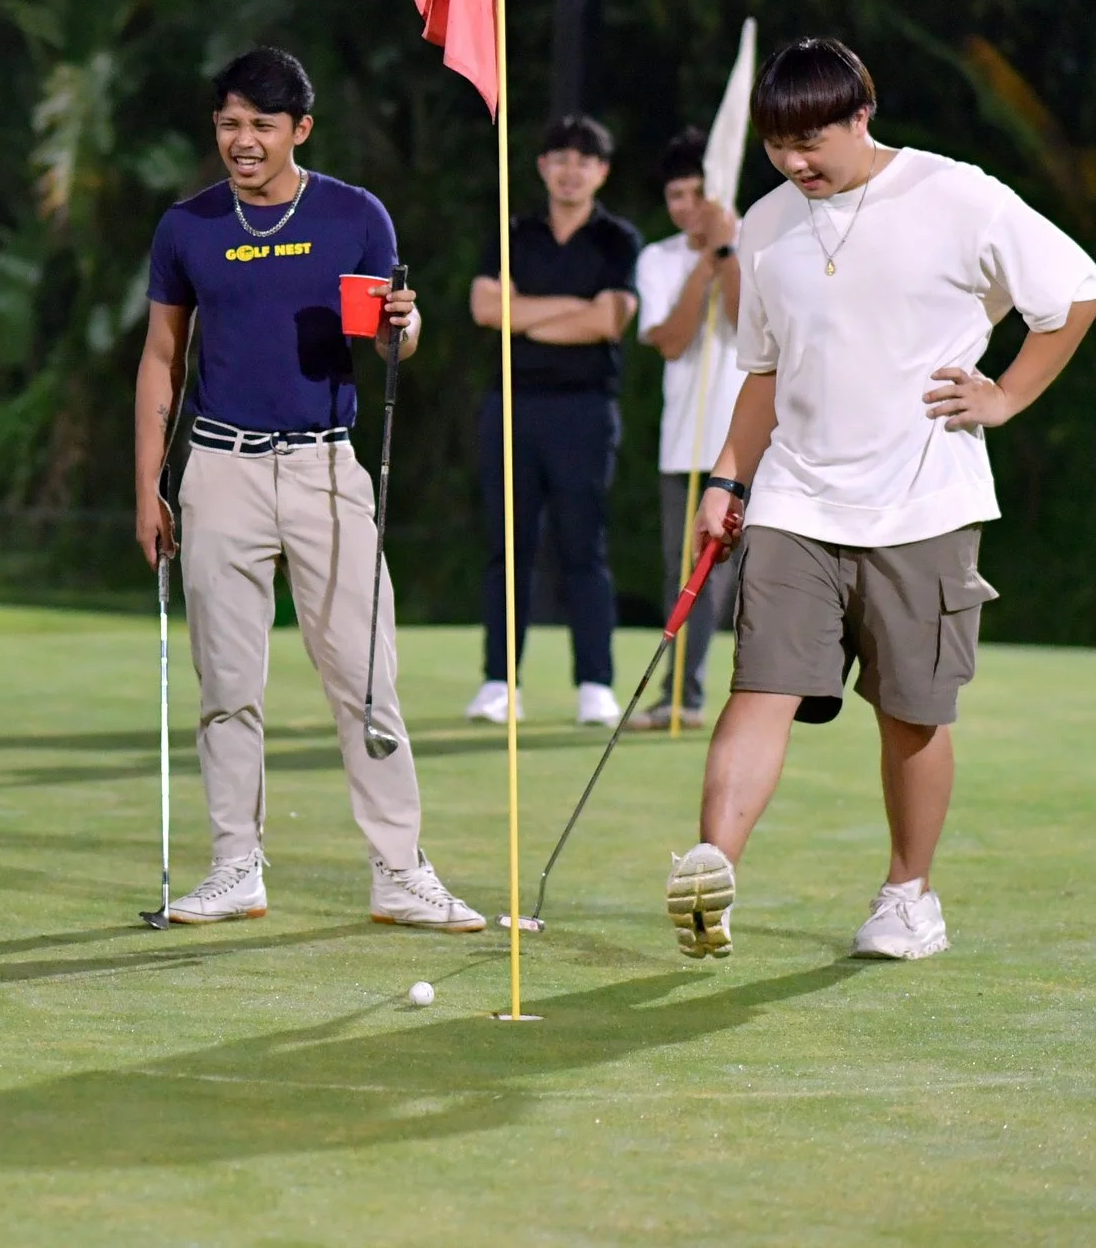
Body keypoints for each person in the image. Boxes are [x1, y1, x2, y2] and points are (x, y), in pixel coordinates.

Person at [666, 38, 1096, 963]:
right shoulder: (768, 222)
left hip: (924, 505)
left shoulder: (957, 194)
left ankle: (910, 894)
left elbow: (1074, 291)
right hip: (796, 502)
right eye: (778, 144)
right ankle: (713, 868)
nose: (795, 162)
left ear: (862, 114)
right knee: (760, 688)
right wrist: (726, 478)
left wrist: (1008, 395)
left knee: (911, 714)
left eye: (812, 139)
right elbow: (764, 372)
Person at [134, 46, 484, 931]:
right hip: (219, 467)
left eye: (259, 125)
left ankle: (401, 870)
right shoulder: (188, 226)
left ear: (300, 129)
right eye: (227, 124)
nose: (241, 141)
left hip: (328, 467)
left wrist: (405, 329)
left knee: (367, 676)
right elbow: (162, 358)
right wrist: (149, 485)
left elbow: (387, 339)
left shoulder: (353, 215)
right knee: (227, 680)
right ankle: (234, 866)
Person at [467, 115, 643, 727]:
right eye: (559, 158)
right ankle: (499, 681)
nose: (571, 171)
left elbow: (609, 321)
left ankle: (595, 682)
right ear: (542, 167)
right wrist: (569, 310)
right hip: (512, 404)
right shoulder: (513, 231)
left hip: (586, 409)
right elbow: (486, 307)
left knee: (582, 546)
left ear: (602, 172)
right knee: (507, 547)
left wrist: (526, 316)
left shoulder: (617, 238)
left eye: (585, 160)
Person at [625, 129, 745, 731]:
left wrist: (729, 254)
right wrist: (707, 261)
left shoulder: (761, 243)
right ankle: (684, 695)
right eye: (676, 195)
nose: (688, 206)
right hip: (687, 448)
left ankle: (761, 700)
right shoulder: (657, 258)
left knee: (760, 580)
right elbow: (670, 342)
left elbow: (748, 324)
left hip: (757, 443)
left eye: (699, 193)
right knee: (696, 574)